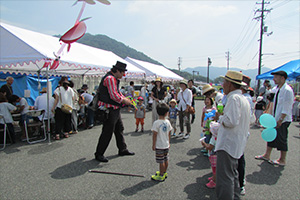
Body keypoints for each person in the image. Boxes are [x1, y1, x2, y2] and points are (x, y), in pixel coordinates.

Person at [215, 70, 250, 200]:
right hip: (237, 143)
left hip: (228, 144)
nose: (222, 85)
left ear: (230, 84)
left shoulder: (234, 98)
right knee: (233, 176)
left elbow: (230, 121)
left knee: (225, 178)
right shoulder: (243, 99)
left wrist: (220, 117)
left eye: (224, 82)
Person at [94, 61, 134, 163]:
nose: (123, 75)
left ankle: (122, 149)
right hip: (110, 109)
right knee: (107, 132)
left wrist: (125, 98)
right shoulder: (110, 79)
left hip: (115, 109)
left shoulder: (114, 78)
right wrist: (125, 101)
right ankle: (99, 153)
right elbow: (114, 96)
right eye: (122, 73)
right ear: (117, 71)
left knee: (119, 129)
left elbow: (118, 93)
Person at [255, 71, 294, 166]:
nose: (274, 79)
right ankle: (267, 154)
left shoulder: (287, 90)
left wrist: (280, 119)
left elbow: (287, 107)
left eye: (276, 77)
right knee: (270, 136)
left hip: (282, 119)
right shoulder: (276, 89)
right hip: (274, 118)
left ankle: (282, 159)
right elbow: (272, 102)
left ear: (282, 78)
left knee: (282, 138)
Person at [151, 103, 172, 182]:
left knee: (161, 161)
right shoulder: (167, 122)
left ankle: (161, 175)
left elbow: (154, 135)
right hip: (166, 144)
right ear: (166, 113)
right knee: (166, 159)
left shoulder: (156, 123)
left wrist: (153, 145)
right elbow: (169, 133)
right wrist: (169, 142)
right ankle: (164, 172)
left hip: (159, 145)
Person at [201, 121, 220, 189]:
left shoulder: (213, 138)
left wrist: (204, 144)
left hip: (213, 155)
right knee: (216, 168)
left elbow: (209, 147)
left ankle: (214, 181)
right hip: (218, 155)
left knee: (214, 168)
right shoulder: (220, 137)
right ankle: (214, 177)